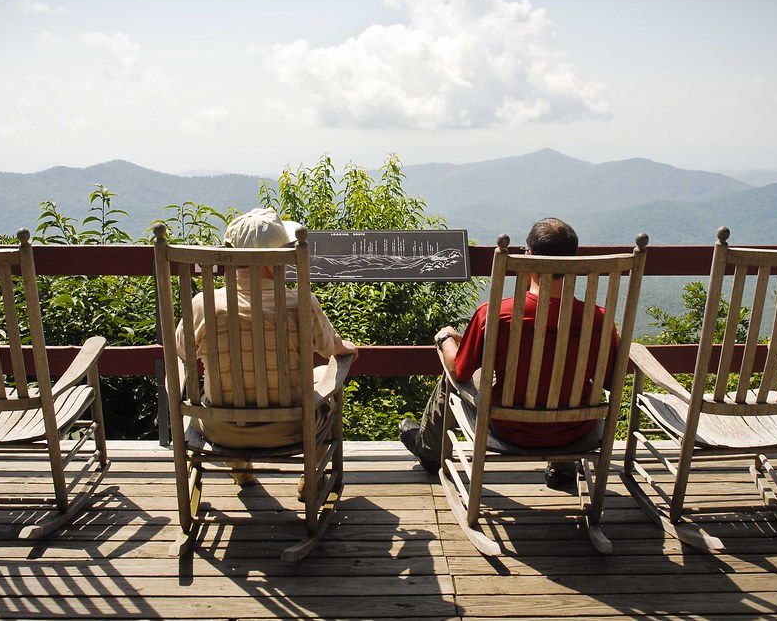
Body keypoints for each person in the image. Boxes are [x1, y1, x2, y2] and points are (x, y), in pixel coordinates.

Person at [399, 217, 617, 489]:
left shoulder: (495, 314)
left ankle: (429, 452)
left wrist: (445, 339)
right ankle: (562, 468)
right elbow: (610, 380)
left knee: (451, 379)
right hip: (576, 432)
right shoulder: (599, 320)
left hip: (509, 429)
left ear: (528, 256)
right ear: (572, 260)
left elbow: (459, 370)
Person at [175, 207, 358, 485]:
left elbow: (181, 351)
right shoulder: (302, 303)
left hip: (220, 428)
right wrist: (345, 348)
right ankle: (312, 478)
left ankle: (240, 468)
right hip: (292, 429)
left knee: (219, 384)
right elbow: (330, 349)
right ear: (272, 263)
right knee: (326, 376)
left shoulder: (203, 305)